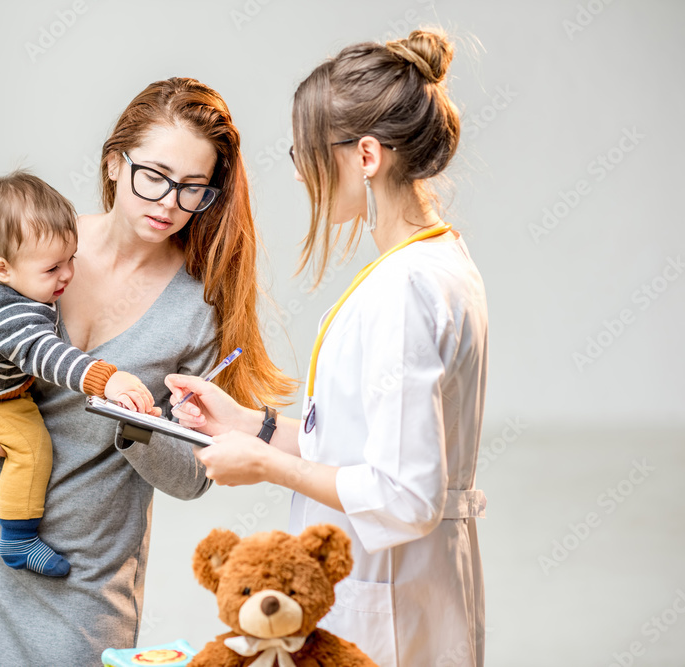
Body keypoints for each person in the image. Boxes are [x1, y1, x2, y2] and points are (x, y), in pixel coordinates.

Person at [0, 77, 295, 665]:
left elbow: (191, 478)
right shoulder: (34, 238)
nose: (168, 203)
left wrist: (138, 425)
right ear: (114, 164)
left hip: (83, 577)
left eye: (192, 188)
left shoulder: (197, 310)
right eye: (154, 176)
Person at [167, 30, 489, 666]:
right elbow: (355, 446)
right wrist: (251, 427)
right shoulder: (428, 265)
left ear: (366, 155)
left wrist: (263, 466)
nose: (299, 170)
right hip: (397, 588)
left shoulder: (407, 289)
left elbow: (404, 495)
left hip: (393, 602)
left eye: (305, 151)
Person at [0, 169, 158, 577]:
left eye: (71, 260)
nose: (67, 275)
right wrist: (109, 379)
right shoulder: (11, 317)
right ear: (1, 269)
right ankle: (18, 538)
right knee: (32, 447)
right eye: (52, 270)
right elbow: (50, 356)